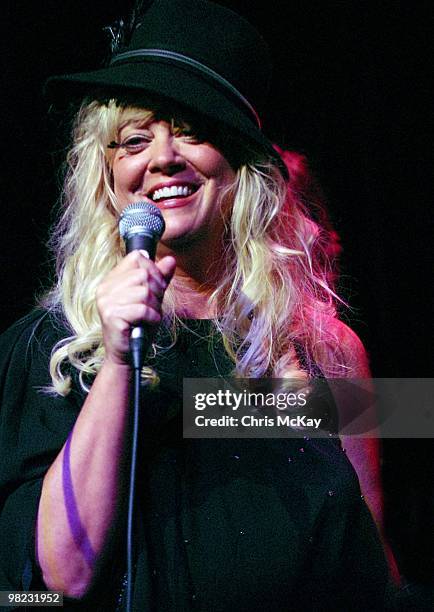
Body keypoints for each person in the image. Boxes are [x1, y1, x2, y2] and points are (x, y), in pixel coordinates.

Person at [0, 0, 392, 609]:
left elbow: (374, 564)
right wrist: (117, 361)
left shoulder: (331, 350)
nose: (163, 157)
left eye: (191, 129)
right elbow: (61, 578)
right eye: (134, 139)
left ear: (239, 165)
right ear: (106, 177)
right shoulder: (43, 349)